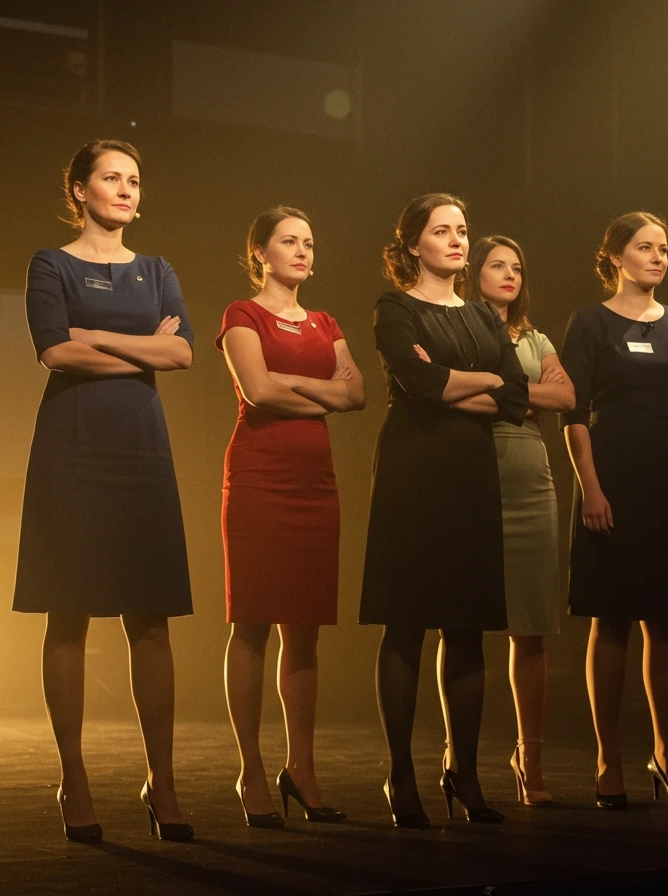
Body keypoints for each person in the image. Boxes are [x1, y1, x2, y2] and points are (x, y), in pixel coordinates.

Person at [13, 139, 194, 843]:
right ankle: (75, 779)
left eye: (134, 180)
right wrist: (139, 344)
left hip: (141, 449)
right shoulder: (50, 263)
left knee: (151, 617)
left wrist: (98, 336)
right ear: (80, 189)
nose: (125, 189)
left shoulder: (157, 270)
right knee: (70, 612)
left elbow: (180, 352)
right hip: (73, 446)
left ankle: (164, 781)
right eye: (112, 178)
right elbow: (55, 350)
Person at [360, 194, 529, 827]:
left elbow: (514, 396)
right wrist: (475, 381)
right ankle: (401, 774)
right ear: (413, 245)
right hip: (413, 471)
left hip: (469, 475)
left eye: (462, 229)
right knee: (405, 623)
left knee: (467, 628)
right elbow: (416, 383)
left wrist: (464, 381)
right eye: (442, 231)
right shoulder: (395, 307)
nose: (458, 240)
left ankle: (464, 773)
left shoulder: (487, 318)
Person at [560, 211, 668, 808]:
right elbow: (572, 413)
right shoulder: (591, 322)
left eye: (664, 247)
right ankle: (608, 760)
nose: (658, 257)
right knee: (613, 618)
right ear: (616, 257)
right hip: (616, 470)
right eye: (645, 247)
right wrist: (593, 489)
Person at [217, 207, 365, 827]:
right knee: (251, 622)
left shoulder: (326, 321)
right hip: (258, 476)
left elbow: (355, 394)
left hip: (315, 481)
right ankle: (251, 769)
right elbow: (258, 391)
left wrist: (290, 381)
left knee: (304, 628)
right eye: (289, 241)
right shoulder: (241, 314)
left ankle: (300, 768)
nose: (303, 251)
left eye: (309, 242)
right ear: (261, 253)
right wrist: (314, 388)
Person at [465, 236, 574, 805]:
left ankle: (529, 756)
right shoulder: (455, 328)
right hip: (473, 472)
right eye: (496, 264)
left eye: (517, 267)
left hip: (532, 479)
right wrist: (526, 397)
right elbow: (447, 397)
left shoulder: (535, 338)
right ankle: (460, 759)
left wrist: (504, 394)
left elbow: (567, 396)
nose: (509, 274)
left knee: (531, 627)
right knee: (462, 625)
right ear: (473, 271)